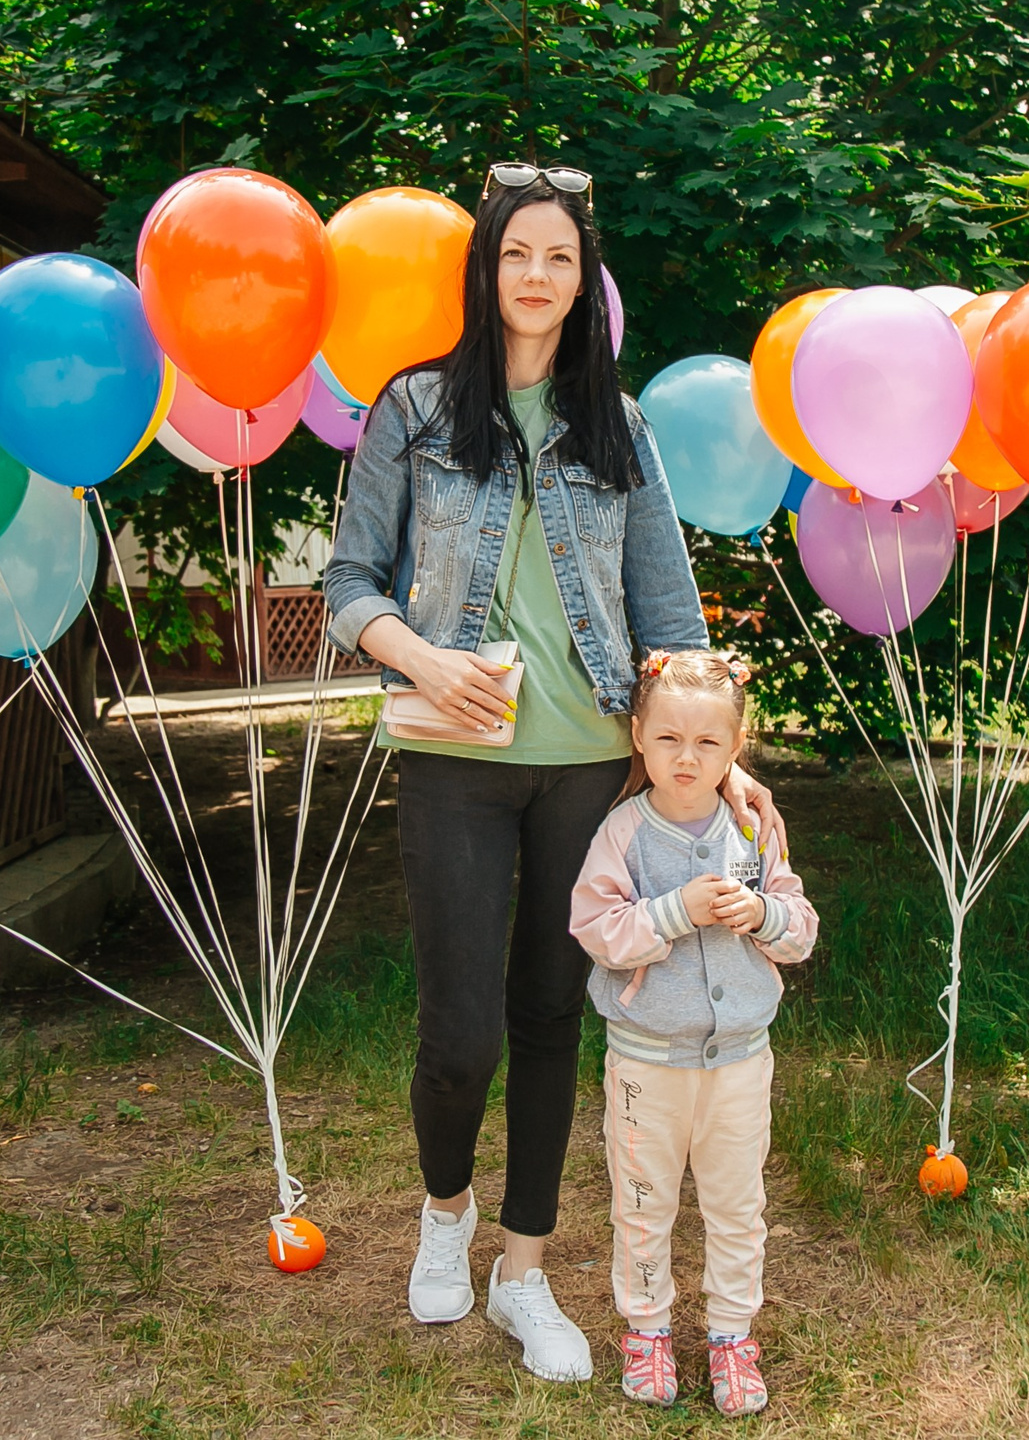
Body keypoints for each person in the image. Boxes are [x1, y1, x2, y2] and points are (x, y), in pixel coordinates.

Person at [322, 162, 783, 1383]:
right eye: (517, 254)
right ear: (485, 269)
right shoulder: (412, 409)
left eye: (560, 259)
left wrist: (721, 763)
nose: (537, 276)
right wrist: (422, 654)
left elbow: (670, 615)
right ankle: (444, 1210)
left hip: (588, 770)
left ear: (585, 284)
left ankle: (524, 1267)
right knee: (460, 1030)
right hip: (451, 760)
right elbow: (347, 581)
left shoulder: (615, 427)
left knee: (549, 1017)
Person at [569, 649, 816, 1416]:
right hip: (647, 1063)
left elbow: (799, 927)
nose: (687, 757)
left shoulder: (752, 827)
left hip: (741, 1062)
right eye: (669, 738)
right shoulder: (622, 834)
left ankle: (732, 1335)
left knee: (737, 1203)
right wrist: (677, 912)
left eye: (708, 744)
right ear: (639, 736)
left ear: (735, 751)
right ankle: (646, 1330)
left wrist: (765, 916)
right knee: (642, 1201)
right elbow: (595, 926)